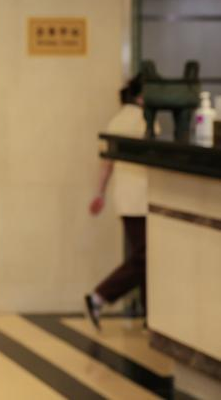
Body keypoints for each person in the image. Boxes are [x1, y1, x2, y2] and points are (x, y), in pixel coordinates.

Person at [84, 76, 154, 330]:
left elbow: (106, 164)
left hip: (126, 199)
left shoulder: (117, 120)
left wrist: (100, 193)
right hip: (141, 199)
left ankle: (150, 314)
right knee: (145, 256)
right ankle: (99, 296)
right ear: (142, 96)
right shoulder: (144, 120)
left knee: (146, 257)